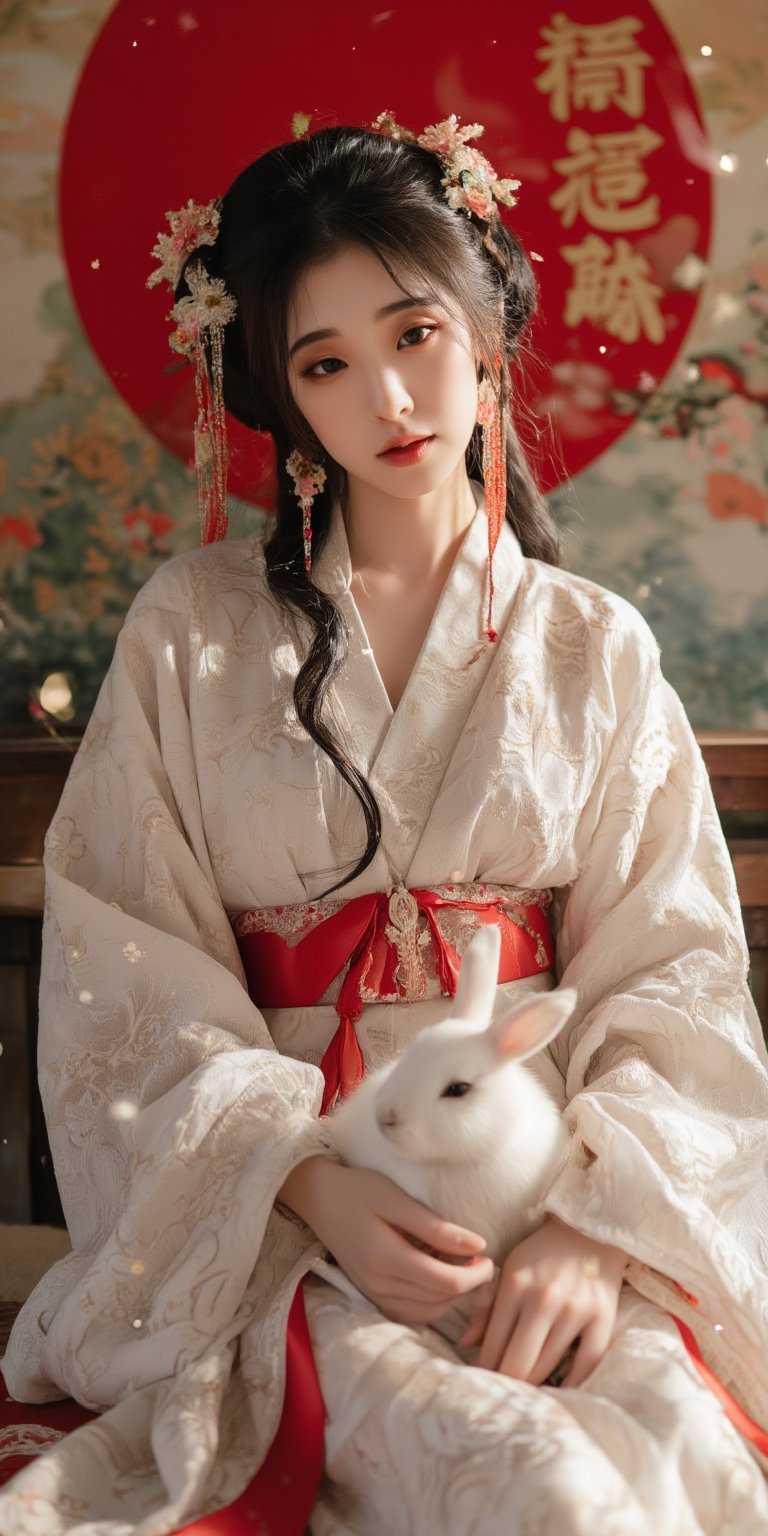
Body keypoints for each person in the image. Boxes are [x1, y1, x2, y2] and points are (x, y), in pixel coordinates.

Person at [2, 114, 768, 1536]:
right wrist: (305, 1187)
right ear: (284, 403)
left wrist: (597, 1237)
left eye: (415, 333)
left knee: (657, 1471)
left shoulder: (595, 646)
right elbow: (127, 986)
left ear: (487, 331)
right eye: (326, 364)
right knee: (536, 1490)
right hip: (292, 1234)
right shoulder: (189, 631)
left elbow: (677, 979)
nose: (390, 397)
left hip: (554, 1215)